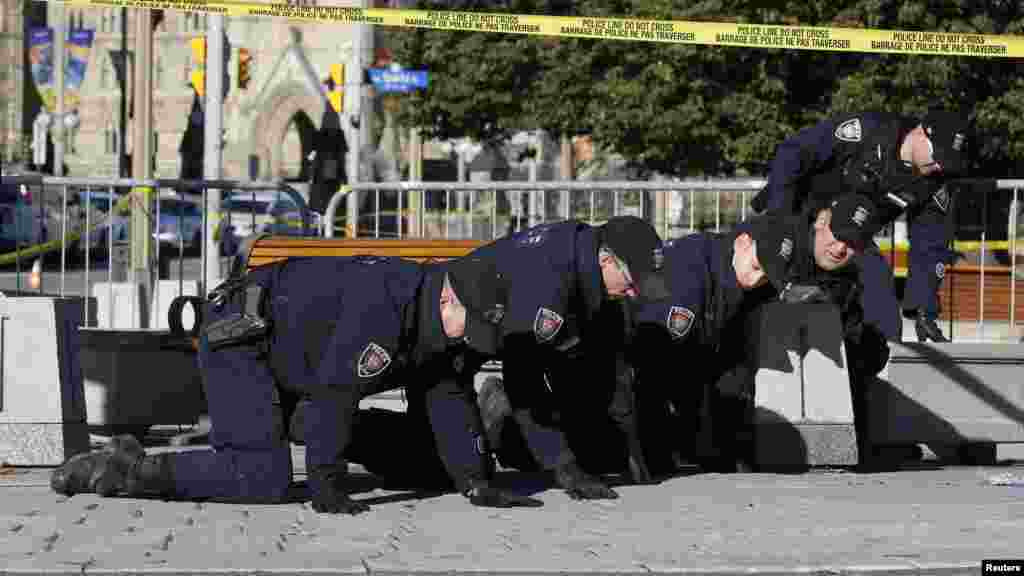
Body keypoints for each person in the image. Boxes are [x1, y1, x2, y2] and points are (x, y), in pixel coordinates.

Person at [50, 255, 545, 513]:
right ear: (450, 303)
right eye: (475, 328)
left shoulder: (441, 314)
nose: (476, 343)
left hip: (296, 362)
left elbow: (448, 392)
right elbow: (336, 393)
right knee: (262, 477)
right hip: (242, 342)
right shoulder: (386, 309)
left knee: (435, 468)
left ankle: (296, 427)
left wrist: (475, 483)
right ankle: (129, 468)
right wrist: (326, 484)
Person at [624, 193, 886, 474]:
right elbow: (654, 358)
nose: (840, 248)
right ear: (822, 222)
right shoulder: (709, 265)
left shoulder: (831, 275)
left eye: (853, 245)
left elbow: (853, 333)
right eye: (838, 236)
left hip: (716, 349)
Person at [451, 215, 671, 500]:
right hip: (454, 351)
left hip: (523, 338)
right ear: (606, 260)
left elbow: (613, 373)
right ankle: (495, 412)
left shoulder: (593, 269)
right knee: (450, 471)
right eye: (631, 281)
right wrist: (565, 467)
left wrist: (634, 455)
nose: (633, 292)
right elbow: (523, 380)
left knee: (598, 454)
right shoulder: (550, 279)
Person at [751, 110, 971, 342]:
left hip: (852, 239)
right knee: (773, 283)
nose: (938, 166)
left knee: (879, 293)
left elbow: (931, 241)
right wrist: (779, 218)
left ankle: (880, 364)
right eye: (937, 156)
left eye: (946, 162)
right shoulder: (869, 129)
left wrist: (924, 309)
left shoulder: (933, 181)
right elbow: (795, 151)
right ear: (920, 133)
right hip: (800, 216)